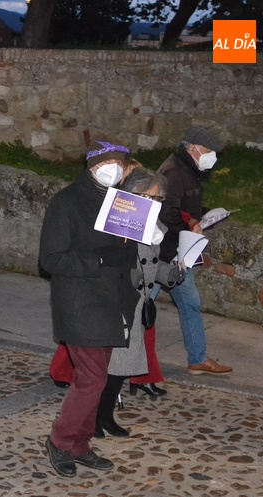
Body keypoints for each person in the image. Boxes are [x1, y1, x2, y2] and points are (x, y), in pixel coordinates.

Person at [38, 141, 138, 478]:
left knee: (94, 378)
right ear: (92, 166)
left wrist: (138, 243)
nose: (114, 169)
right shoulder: (66, 202)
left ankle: (79, 444)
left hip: (112, 301)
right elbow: (50, 259)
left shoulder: (121, 201)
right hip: (79, 302)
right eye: (107, 163)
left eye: (119, 164)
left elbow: (125, 252)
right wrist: (99, 259)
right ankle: (60, 440)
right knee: (93, 378)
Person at [95, 167, 183, 438]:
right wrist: (131, 276)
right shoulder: (119, 220)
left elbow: (150, 263)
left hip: (137, 302)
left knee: (120, 367)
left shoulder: (152, 227)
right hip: (118, 301)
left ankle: (104, 416)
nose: (155, 204)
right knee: (112, 366)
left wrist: (171, 273)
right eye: (151, 198)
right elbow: (111, 261)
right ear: (134, 195)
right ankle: (96, 418)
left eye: (159, 199)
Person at [158, 127, 232, 376]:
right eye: (208, 151)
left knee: (190, 302)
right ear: (192, 147)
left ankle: (198, 358)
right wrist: (189, 229)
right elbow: (166, 212)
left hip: (179, 251)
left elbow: (185, 207)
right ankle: (116, 355)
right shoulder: (174, 171)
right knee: (140, 304)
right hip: (164, 252)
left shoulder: (190, 169)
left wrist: (205, 216)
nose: (212, 156)